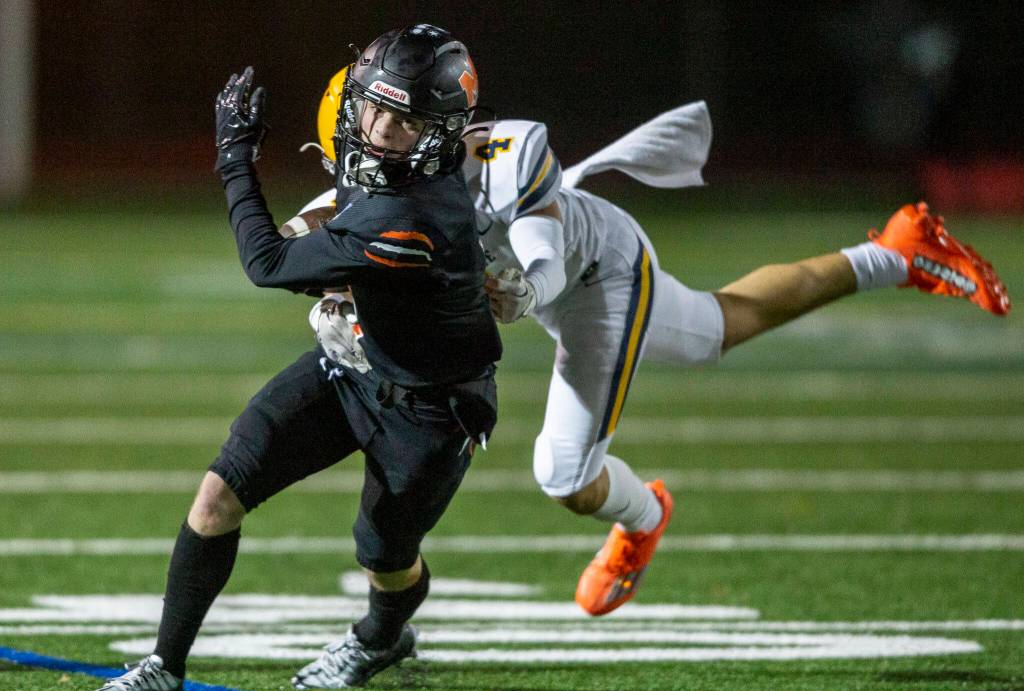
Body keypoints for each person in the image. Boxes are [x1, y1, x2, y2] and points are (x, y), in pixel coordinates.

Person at [298, 90, 1011, 618]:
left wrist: (521, 287)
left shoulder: (498, 159)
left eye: (384, 124)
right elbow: (305, 233)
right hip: (572, 278)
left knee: (563, 472)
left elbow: (540, 258)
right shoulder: (381, 176)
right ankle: (897, 252)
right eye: (360, 127)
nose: (365, 146)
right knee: (716, 326)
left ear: (425, 126)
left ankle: (643, 516)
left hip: (593, 280)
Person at [83, 24, 499, 691]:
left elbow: (267, 263)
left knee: (385, 556)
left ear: (438, 133)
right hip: (352, 362)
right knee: (220, 491)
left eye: (403, 120)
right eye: (373, 105)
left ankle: (380, 634)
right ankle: (165, 662)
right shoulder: (410, 169)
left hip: (430, 407)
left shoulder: (410, 214)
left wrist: (233, 157)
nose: (378, 127)